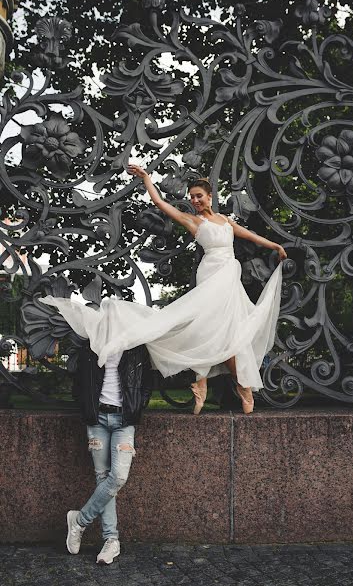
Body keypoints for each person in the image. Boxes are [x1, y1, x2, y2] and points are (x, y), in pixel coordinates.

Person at [39, 166, 286, 416]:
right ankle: (233, 385)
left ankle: (206, 380)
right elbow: (159, 202)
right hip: (211, 275)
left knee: (228, 333)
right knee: (212, 329)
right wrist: (146, 178)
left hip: (229, 277)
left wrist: (274, 244)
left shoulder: (225, 221)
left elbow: (249, 235)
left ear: (210, 196)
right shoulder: (192, 220)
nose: (195, 201)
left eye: (199, 196)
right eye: (192, 197)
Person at [65, 342, 152, 565]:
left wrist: (137, 407)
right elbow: (79, 383)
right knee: (102, 478)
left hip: (124, 421)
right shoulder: (91, 346)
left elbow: (147, 383)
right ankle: (111, 540)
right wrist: (86, 408)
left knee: (118, 477)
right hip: (97, 420)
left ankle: (80, 520)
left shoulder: (136, 348)